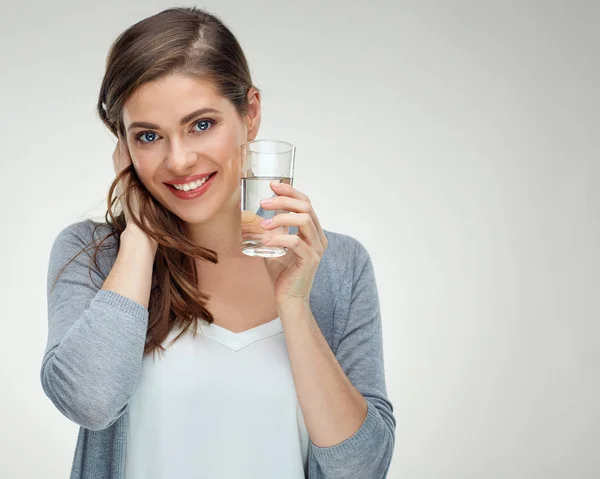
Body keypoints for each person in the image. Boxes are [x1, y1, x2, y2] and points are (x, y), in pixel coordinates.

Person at [41, 6, 395, 479]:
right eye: (149, 136)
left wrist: (294, 304)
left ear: (250, 114)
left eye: (201, 124)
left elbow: (362, 468)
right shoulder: (96, 255)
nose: (179, 160)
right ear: (122, 148)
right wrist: (141, 237)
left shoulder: (339, 266)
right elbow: (90, 401)